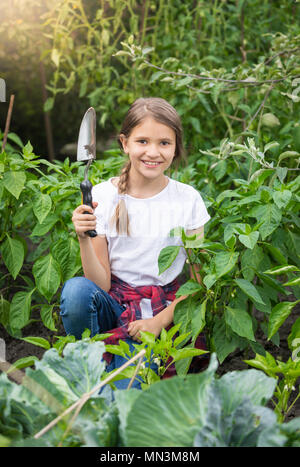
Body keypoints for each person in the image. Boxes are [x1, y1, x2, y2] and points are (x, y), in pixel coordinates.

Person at [60, 97, 210, 390]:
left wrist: (159, 322)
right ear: (124, 143)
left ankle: (109, 376)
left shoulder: (187, 199)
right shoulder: (104, 196)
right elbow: (99, 285)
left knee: (129, 391)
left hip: (164, 308)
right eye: (142, 141)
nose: (153, 152)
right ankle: (88, 361)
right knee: (76, 291)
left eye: (164, 143)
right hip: (114, 305)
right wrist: (83, 238)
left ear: (176, 146)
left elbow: (197, 282)